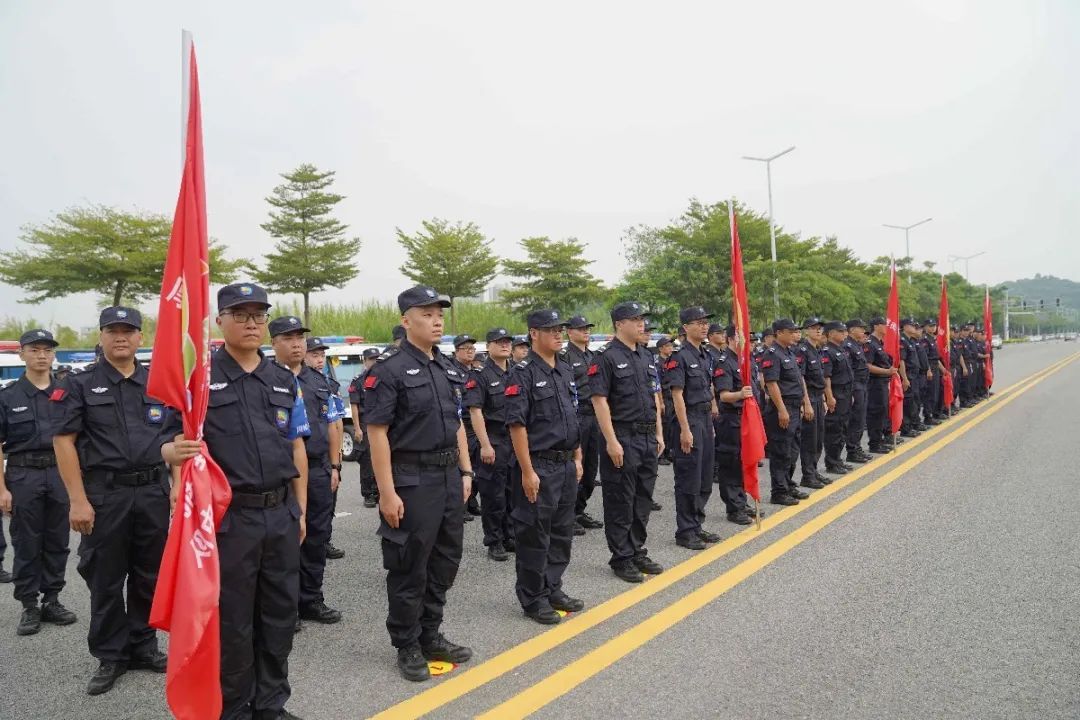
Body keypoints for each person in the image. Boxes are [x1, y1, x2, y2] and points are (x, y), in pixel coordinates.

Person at [162, 283, 309, 720]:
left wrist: (298, 510)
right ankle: (235, 708)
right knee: (233, 622)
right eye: (240, 314)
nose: (251, 323)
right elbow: (169, 442)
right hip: (230, 521)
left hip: (281, 515)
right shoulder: (199, 379)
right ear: (220, 321)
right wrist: (174, 455)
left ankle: (271, 705)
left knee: (280, 615)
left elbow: (297, 446)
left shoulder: (283, 379)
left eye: (258, 315)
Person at [53, 307, 180, 695]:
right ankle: (111, 654)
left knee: (149, 575)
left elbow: (173, 438)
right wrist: (77, 500)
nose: (121, 337)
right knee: (105, 578)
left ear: (142, 337)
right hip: (105, 495)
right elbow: (63, 441)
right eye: (113, 330)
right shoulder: (79, 384)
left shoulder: (159, 384)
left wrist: (175, 485)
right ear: (102, 336)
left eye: (129, 330)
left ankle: (143, 645)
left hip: (152, 492)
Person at [362, 285, 475, 682]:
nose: (437, 320)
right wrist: (387, 492)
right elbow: (376, 433)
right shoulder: (388, 371)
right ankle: (407, 644)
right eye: (426, 314)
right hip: (411, 479)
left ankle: (430, 634)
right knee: (410, 566)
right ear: (406, 320)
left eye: (439, 313)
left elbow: (457, 421)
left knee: (445, 562)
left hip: (447, 477)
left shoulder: (445, 368)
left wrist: (465, 471)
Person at [504, 309, 583, 624]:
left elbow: (572, 417)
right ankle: (533, 597)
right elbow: (517, 425)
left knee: (561, 532)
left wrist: (577, 458)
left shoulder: (564, 370)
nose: (558, 334)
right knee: (534, 534)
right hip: (539, 464)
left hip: (564, 464)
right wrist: (527, 471)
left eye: (560, 329)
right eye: (551, 329)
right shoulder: (521, 373)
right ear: (534, 333)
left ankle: (553, 587)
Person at [0, 329, 76, 636]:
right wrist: (2, 489)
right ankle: (29, 605)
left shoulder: (67, 393)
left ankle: (52, 599)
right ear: (22, 355)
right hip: (23, 475)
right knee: (27, 541)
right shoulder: (8, 396)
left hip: (59, 473)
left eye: (47, 350)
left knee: (58, 540)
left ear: (54, 355)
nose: (41, 355)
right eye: (34, 350)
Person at [269, 322, 342, 628]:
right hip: (282, 473)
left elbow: (332, 422)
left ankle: (311, 599)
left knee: (316, 536)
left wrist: (336, 465)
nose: (297, 344)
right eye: (289, 338)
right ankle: (286, 607)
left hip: (318, 469)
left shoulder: (319, 381)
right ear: (274, 343)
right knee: (285, 542)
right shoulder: (266, 380)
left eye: (301, 338)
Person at [590, 301, 666, 583]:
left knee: (642, 498)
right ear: (619, 324)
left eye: (642, 319)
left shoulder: (645, 356)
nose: (641, 324)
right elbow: (599, 401)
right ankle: (621, 557)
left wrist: (658, 433)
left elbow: (654, 397)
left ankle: (636, 550)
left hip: (647, 436)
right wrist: (611, 441)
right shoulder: (606, 357)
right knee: (620, 499)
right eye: (634, 319)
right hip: (622, 435)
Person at [663, 306, 720, 551]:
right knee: (689, 479)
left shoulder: (704, 355)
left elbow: (708, 389)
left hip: (705, 419)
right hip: (690, 420)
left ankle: (696, 523)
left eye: (705, 322)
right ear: (686, 328)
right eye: (698, 322)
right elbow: (677, 396)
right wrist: (685, 430)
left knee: (706, 478)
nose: (704, 326)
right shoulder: (679, 356)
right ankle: (686, 531)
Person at [464, 328, 516, 561]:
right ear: (489, 347)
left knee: (513, 493)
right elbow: (475, 412)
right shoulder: (481, 376)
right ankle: (494, 541)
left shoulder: (517, 373)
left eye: (507, 342)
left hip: (515, 441)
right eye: (499, 342)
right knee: (493, 495)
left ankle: (510, 535)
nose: (505, 345)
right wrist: (485, 445)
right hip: (493, 440)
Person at [304, 338, 347, 561]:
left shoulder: (328, 384)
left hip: (330, 454)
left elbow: (336, 423)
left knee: (328, 503)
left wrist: (336, 460)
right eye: (314, 355)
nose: (319, 360)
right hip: (308, 457)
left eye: (322, 356)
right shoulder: (296, 381)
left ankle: (324, 540)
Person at [761, 318, 812, 505]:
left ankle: (788, 484)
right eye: (790, 331)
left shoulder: (789, 352)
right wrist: (782, 410)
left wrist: (806, 402)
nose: (794, 335)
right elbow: (772, 384)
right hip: (781, 408)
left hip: (794, 406)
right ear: (780, 333)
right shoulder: (772, 354)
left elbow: (799, 380)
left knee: (792, 450)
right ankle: (779, 491)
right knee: (781, 451)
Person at [562, 316, 604, 532]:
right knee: (575, 468)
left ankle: (579, 509)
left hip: (594, 416)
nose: (585, 331)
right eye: (580, 329)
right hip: (577, 416)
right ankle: (568, 515)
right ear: (570, 332)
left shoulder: (593, 355)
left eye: (587, 328)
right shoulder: (565, 356)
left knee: (590, 470)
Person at [711, 326, 755, 525]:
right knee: (731, 463)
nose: (746, 340)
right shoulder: (724, 362)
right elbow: (724, 395)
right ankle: (734, 507)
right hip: (731, 419)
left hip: (747, 418)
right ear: (730, 339)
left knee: (744, 461)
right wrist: (740, 394)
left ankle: (742, 501)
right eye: (741, 337)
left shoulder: (746, 361)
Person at [795, 318, 829, 487]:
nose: (818, 331)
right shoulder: (802, 350)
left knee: (818, 438)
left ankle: (814, 471)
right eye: (814, 328)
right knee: (809, 438)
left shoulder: (818, 349)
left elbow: (819, 378)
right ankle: (807, 475)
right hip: (809, 397)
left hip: (817, 396)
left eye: (820, 328)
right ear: (806, 331)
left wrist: (823, 398)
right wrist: (806, 403)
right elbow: (801, 378)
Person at [452, 336, 482, 522]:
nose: (470, 351)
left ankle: (471, 502)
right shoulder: (452, 372)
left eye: (472, 348)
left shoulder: (476, 372)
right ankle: (460, 507)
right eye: (466, 348)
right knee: (461, 466)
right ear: (457, 351)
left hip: (475, 423)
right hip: (460, 423)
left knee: (476, 467)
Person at [348, 347, 381, 509]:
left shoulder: (383, 378)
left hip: (381, 423)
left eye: (377, 359)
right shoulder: (358, 380)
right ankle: (368, 493)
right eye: (371, 359)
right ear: (365, 361)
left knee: (381, 458)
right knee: (367, 460)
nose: (374, 362)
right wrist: (357, 428)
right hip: (365, 424)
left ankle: (379, 490)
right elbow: (354, 405)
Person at [821, 321, 855, 475]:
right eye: (840, 331)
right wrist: (829, 397)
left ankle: (838, 459)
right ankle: (832, 462)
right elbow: (826, 377)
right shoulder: (827, 351)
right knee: (834, 429)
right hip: (836, 393)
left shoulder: (841, 350)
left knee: (843, 428)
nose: (844, 333)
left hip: (846, 393)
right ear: (831, 333)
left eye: (844, 331)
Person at [864, 317, 899, 453]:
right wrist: (887, 371)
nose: (887, 327)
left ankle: (879, 440)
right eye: (885, 325)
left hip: (883, 382)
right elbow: (867, 365)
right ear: (876, 326)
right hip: (875, 383)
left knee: (882, 412)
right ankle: (874, 443)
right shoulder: (870, 343)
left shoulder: (881, 343)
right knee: (875, 412)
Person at [842, 319, 872, 463]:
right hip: (856, 386)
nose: (863, 331)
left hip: (863, 384)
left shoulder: (857, 345)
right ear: (852, 329)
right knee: (855, 419)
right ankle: (852, 450)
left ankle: (857, 448)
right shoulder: (847, 345)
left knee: (861, 418)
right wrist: (853, 390)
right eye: (860, 328)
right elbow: (850, 370)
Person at [655, 336, 677, 467]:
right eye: (668, 346)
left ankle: (668, 452)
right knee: (663, 426)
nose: (671, 348)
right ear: (661, 348)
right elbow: (657, 385)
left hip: (672, 398)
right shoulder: (658, 364)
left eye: (671, 346)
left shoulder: (671, 362)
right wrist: (661, 402)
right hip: (664, 398)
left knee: (671, 427)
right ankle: (660, 454)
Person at [900, 319, 923, 438]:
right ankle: (906, 428)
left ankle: (911, 425)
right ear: (905, 326)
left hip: (914, 376)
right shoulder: (902, 340)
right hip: (908, 375)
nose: (915, 327)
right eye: (912, 325)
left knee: (913, 401)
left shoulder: (910, 340)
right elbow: (901, 361)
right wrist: (904, 378)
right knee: (907, 403)